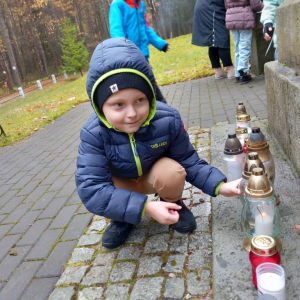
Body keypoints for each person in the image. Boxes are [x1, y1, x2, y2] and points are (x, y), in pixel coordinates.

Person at [76, 38, 242, 249]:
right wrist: (146, 207)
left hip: (152, 174)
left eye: (139, 100)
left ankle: (173, 203)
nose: (132, 113)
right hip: (121, 183)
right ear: (100, 106)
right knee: (107, 187)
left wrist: (221, 186)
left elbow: (189, 161)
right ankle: (123, 217)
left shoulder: (167, 119)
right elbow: (91, 188)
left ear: (150, 97)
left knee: (173, 171)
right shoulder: (93, 134)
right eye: (118, 104)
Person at [109, 0, 169, 103]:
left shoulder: (140, 4)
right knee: (138, 90)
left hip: (143, 56)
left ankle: (165, 113)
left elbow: (146, 28)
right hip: (128, 58)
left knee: (151, 87)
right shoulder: (118, 4)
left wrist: (160, 44)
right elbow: (117, 31)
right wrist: (125, 51)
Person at [192, 0, 235, 80]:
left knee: (213, 41)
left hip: (204, 7)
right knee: (222, 38)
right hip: (212, 8)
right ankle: (231, 70)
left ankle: (219, 71)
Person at [224, 0, 264, 84]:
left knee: (238, 46)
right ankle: (243, 72)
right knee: (244, 46)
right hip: (245, 17)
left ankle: (238, 74)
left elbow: (226, 5)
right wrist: (263, 6)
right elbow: (255, 5)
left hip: (231, 18)